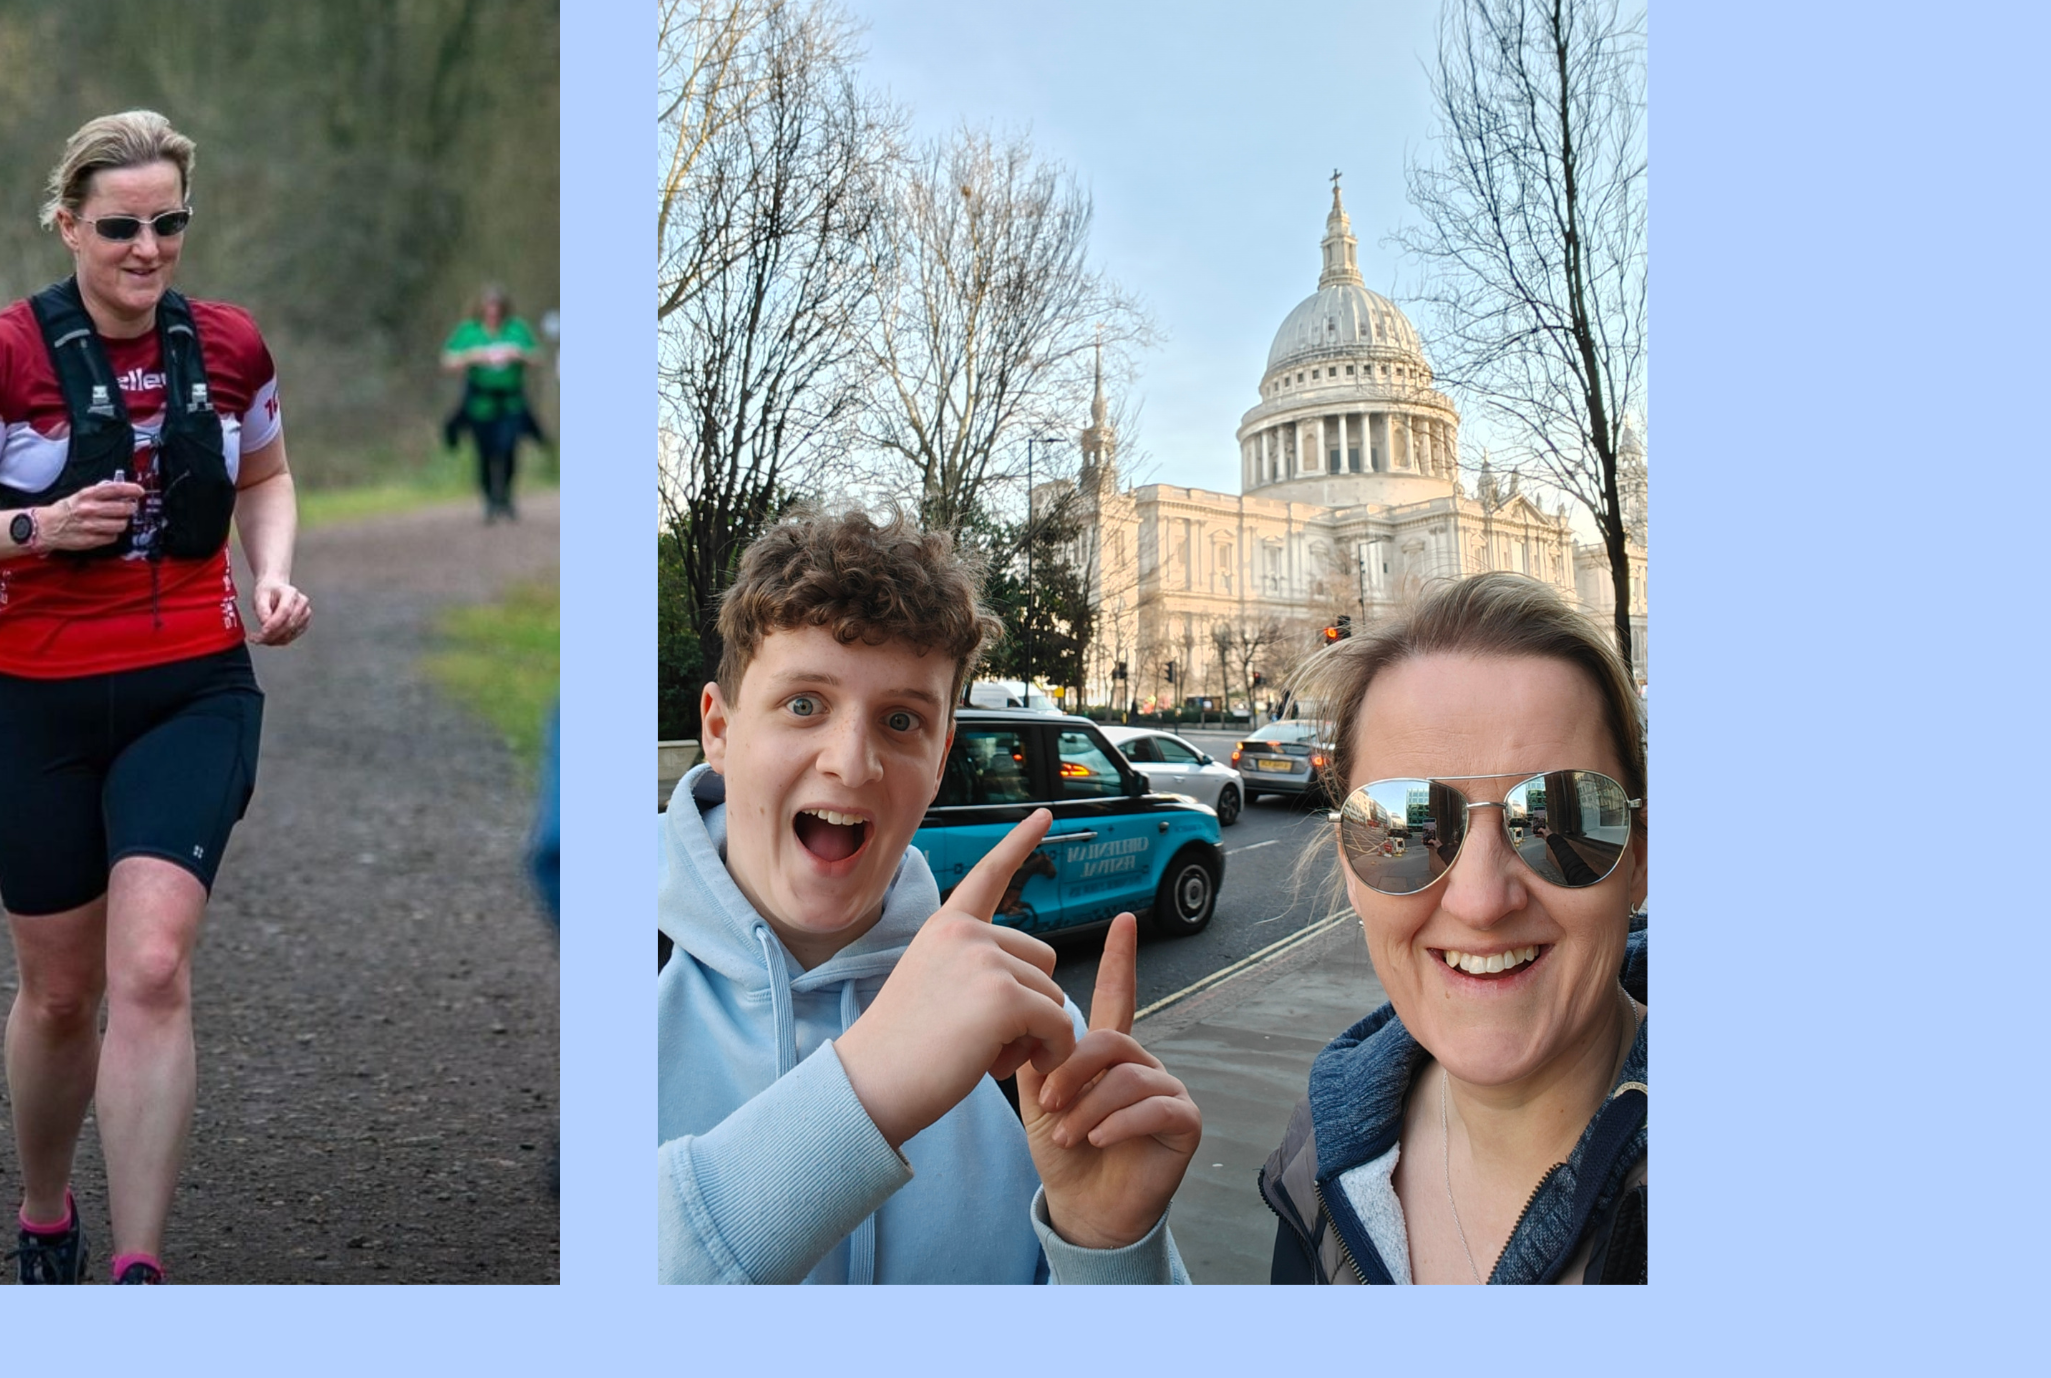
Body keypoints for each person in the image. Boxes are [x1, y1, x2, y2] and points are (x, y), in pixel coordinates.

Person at [0, 109, 313, 1285]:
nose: (148, 246)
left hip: (195, 684)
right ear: (69, 223)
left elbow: (268, 474)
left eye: (168, 222)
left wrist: (271, 575)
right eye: (121, 225)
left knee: (151, 968)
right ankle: (44, 1207)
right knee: (63, 992)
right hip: (32, 699)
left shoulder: (232, 345)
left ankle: (139, 1267)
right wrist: (38, 525)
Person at [658, 508, 1199, 1282]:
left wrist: (1107, 1250)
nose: (850, 763)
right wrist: (863, 1094)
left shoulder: (1024, 1037)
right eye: (804, 704)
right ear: (719, 727)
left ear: (942, 756)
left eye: (901, 719)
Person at [1258, 574, 1647, 1283]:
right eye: (1409, 827)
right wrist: (1109, 1247)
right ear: (1350, 866)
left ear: (1640, 858)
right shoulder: (1315, 1157)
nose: (1479, 901)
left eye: (1561, 816)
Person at [439, 285, 542, 522]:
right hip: (480, 403)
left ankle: (505, 495)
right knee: (484, 452)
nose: (493, 312)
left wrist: (520, 355)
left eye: (497, 307)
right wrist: (471, 356)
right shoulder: (469, 331)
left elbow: (537, 356)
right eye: (488, 307)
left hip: (511, 401)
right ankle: (489, 499)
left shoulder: (516, 329)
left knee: (508, 448)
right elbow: (447, 360)